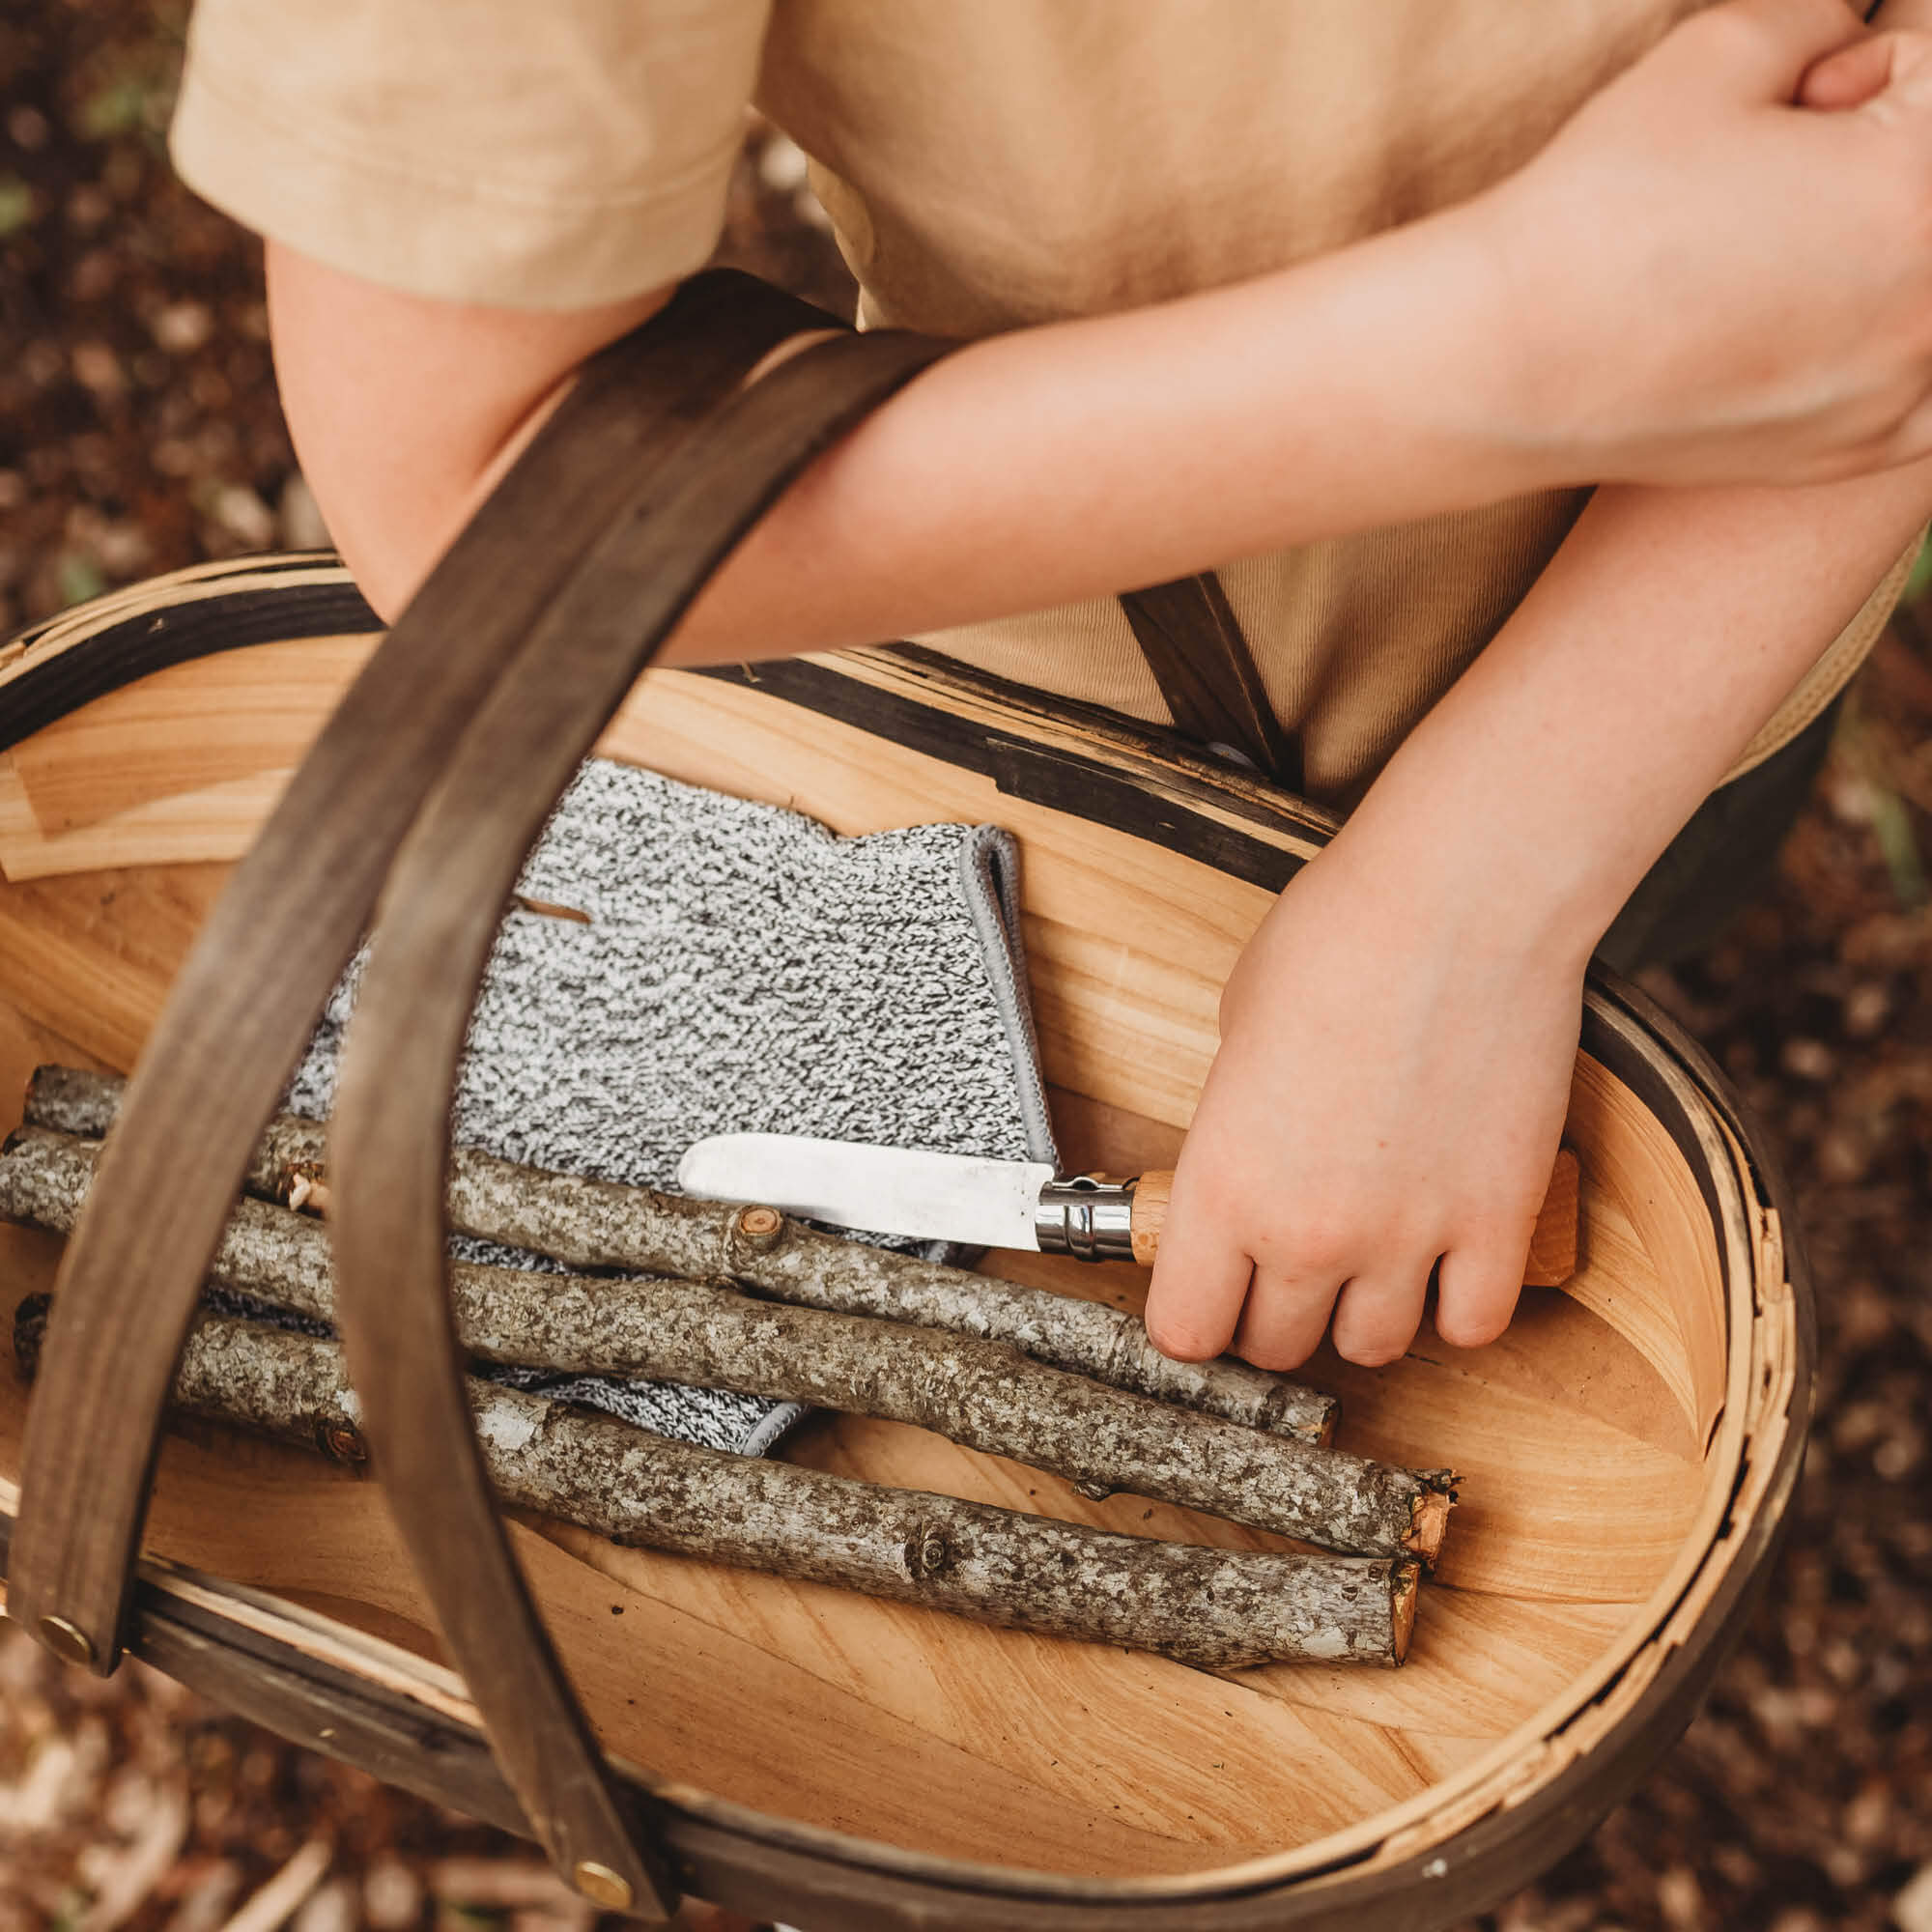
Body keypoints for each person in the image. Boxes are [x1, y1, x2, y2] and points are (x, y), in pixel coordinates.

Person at [170, 0, 1932, 1381]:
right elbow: (470, 487)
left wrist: (1483, 898)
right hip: (1078, 703)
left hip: (1718, 650)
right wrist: (1526, 347)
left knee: (1673, 897)